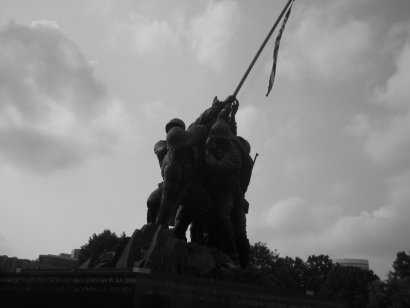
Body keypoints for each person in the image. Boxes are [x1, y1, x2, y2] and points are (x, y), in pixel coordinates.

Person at [203, 118, 242, 262]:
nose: (216, 142)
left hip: (227, 193)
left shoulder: (234, 154)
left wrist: (207, 153)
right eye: (215, 139)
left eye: (220, 140)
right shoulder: (212, 144)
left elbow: (216, 167)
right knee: (205, 218)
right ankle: (206, 248)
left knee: (222, 217)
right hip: (211, 190)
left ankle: (233, 254)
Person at [146, 119, 185, 224]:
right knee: (152, 201)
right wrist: (175, 144)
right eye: (172, 128)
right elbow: (161, 149)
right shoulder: (161, 144)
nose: (174, 129)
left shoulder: (187, 146)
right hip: (168, 183)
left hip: (185, 185)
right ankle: (151, 227)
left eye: (177, 128)